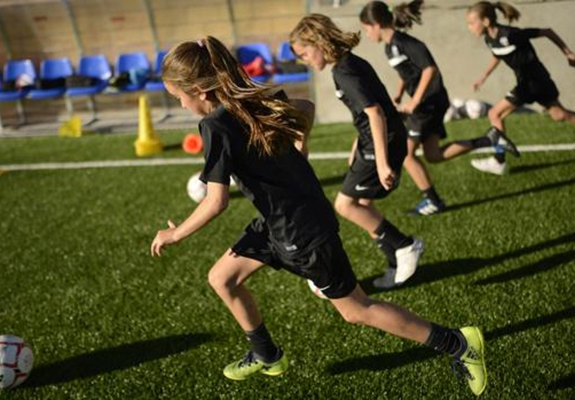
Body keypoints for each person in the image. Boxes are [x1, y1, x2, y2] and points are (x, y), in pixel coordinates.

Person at [150, 35, 487, 396]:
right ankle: (266, 354)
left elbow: (216, 201)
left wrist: (175, 234)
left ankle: (457, 343)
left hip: (301, 231)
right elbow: (306, 107)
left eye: (178, 97)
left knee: (357, 310)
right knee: (222, 278)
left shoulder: (215, 124)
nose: (181, 105)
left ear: (200, 90)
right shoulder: (253, 98)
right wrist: (300, 142)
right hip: (280, 220)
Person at [290, 13, 422, 289]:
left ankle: (404, 245)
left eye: (304, 53)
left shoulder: (344, 70)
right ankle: (396, 261)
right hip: (372, 142)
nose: (305, 61)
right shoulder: (348, 63)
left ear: (318, 41)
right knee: (362, 205)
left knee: (345, 205)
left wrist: (383, 164)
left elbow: (376, 114)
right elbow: (366, 113)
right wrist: (357, 148)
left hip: (382, 143)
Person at [359, 1, 520, 215]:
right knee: (433, 155)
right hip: (428, 103)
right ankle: (490, 139)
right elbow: (407, 73)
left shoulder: (405, 42)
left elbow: (429, 70)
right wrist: (398, 94)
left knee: (407, 155)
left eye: (366, 28)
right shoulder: (390, 47)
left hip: (429, 103)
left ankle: (433, 200)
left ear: (377, 24)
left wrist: (415, 101)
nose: (367, 34)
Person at [467, 1, 575, 175]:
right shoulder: (489, 39)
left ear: (486, 22)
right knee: (559, 115)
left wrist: (568, 53)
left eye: (472, 23)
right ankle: (498, 159)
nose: (469, 27)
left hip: (533, 83)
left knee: (494, 114)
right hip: (535, 83)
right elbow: (498, 54)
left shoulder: (511, 34)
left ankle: (498, 161)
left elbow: (547, 31)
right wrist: (483, 77)